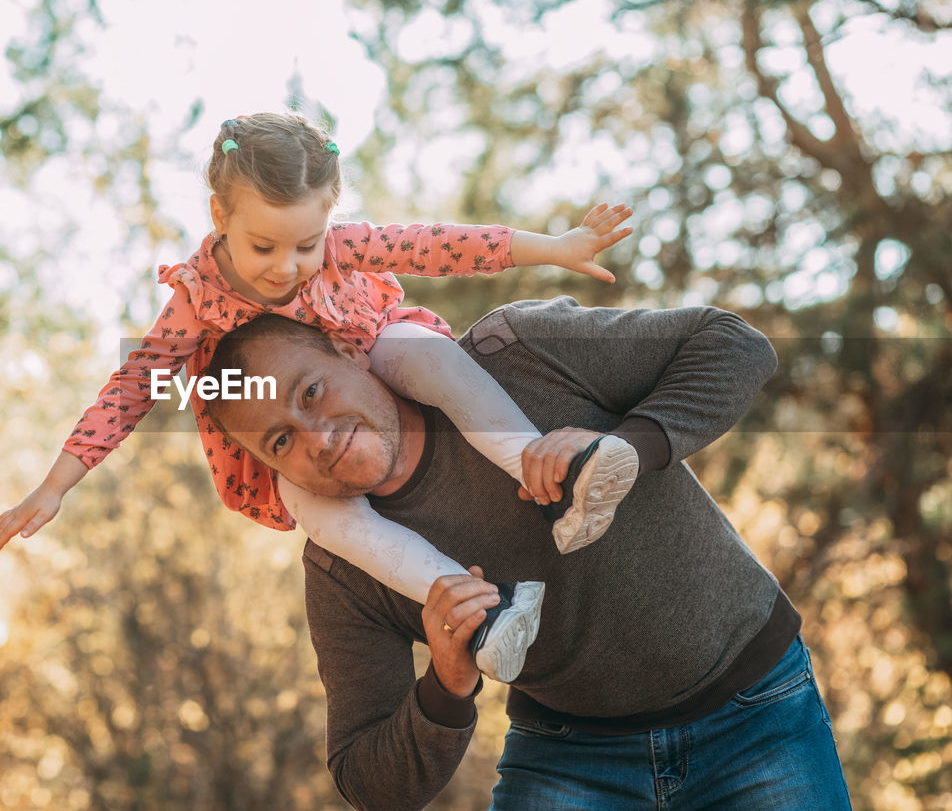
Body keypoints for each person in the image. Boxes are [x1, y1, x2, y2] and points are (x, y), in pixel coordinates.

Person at [0, 111, 641, 683]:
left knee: (427, 354)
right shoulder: (195, 300)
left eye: (305, 244)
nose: (286, 265)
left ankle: (559, 473)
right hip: (295, 421)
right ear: (220, 216)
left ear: (328, 213)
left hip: (372, 353)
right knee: (315, 507)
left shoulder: (341, 246)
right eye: (263, 246)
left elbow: (440, 244)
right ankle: (485, 613)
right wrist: (54, 486)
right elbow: (133, 388)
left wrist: (554, 247)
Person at [201, 299, 852, 810]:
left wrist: (629, 446)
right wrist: (447, 684)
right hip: (573, 755)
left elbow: (735, 344)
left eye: (311, 392)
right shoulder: (344, 570)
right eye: (281, 440)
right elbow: (368, 778)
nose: (315, 437)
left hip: (758, 708)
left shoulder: (518, 351)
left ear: (350, 348)